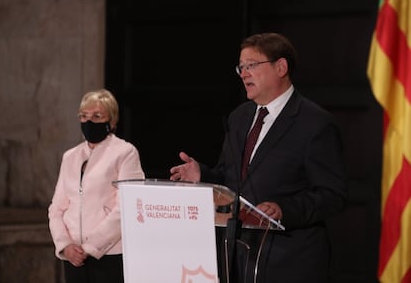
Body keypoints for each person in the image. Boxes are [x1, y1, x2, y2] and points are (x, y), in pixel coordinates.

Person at [170, 32, 348, 283]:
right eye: (241, 67)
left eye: (251, 65)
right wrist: (204, 175)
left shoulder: (315, 123)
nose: (244, 74)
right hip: (238, 258)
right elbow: (231, 179)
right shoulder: (239, 118)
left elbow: (332, 194)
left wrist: (284, 209)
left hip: (289, 261)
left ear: (281, 67)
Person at [48, 89, 145, 283]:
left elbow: (126, 207)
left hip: (109, 254)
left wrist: (91, 246)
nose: (89, 121)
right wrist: (65, 245)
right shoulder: (70, 156)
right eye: (84, 116)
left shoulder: (125, 153)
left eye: (97, 116)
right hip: (73, 256)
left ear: (112, 121)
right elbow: (56, 209)